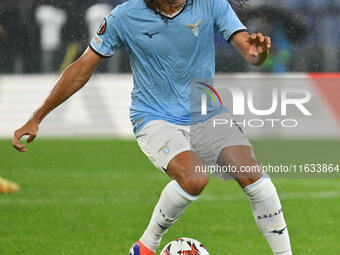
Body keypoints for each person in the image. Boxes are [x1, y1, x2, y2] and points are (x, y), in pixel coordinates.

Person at [12, 0, 293, 254]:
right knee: (194, 179)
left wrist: (259, 54)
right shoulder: (124, 16)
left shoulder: (211, 4)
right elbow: (82, 68)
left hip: (207, 113)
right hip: (155, 117)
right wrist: (38, 116)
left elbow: (251, 52)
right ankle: (147, 246)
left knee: (255, 179)